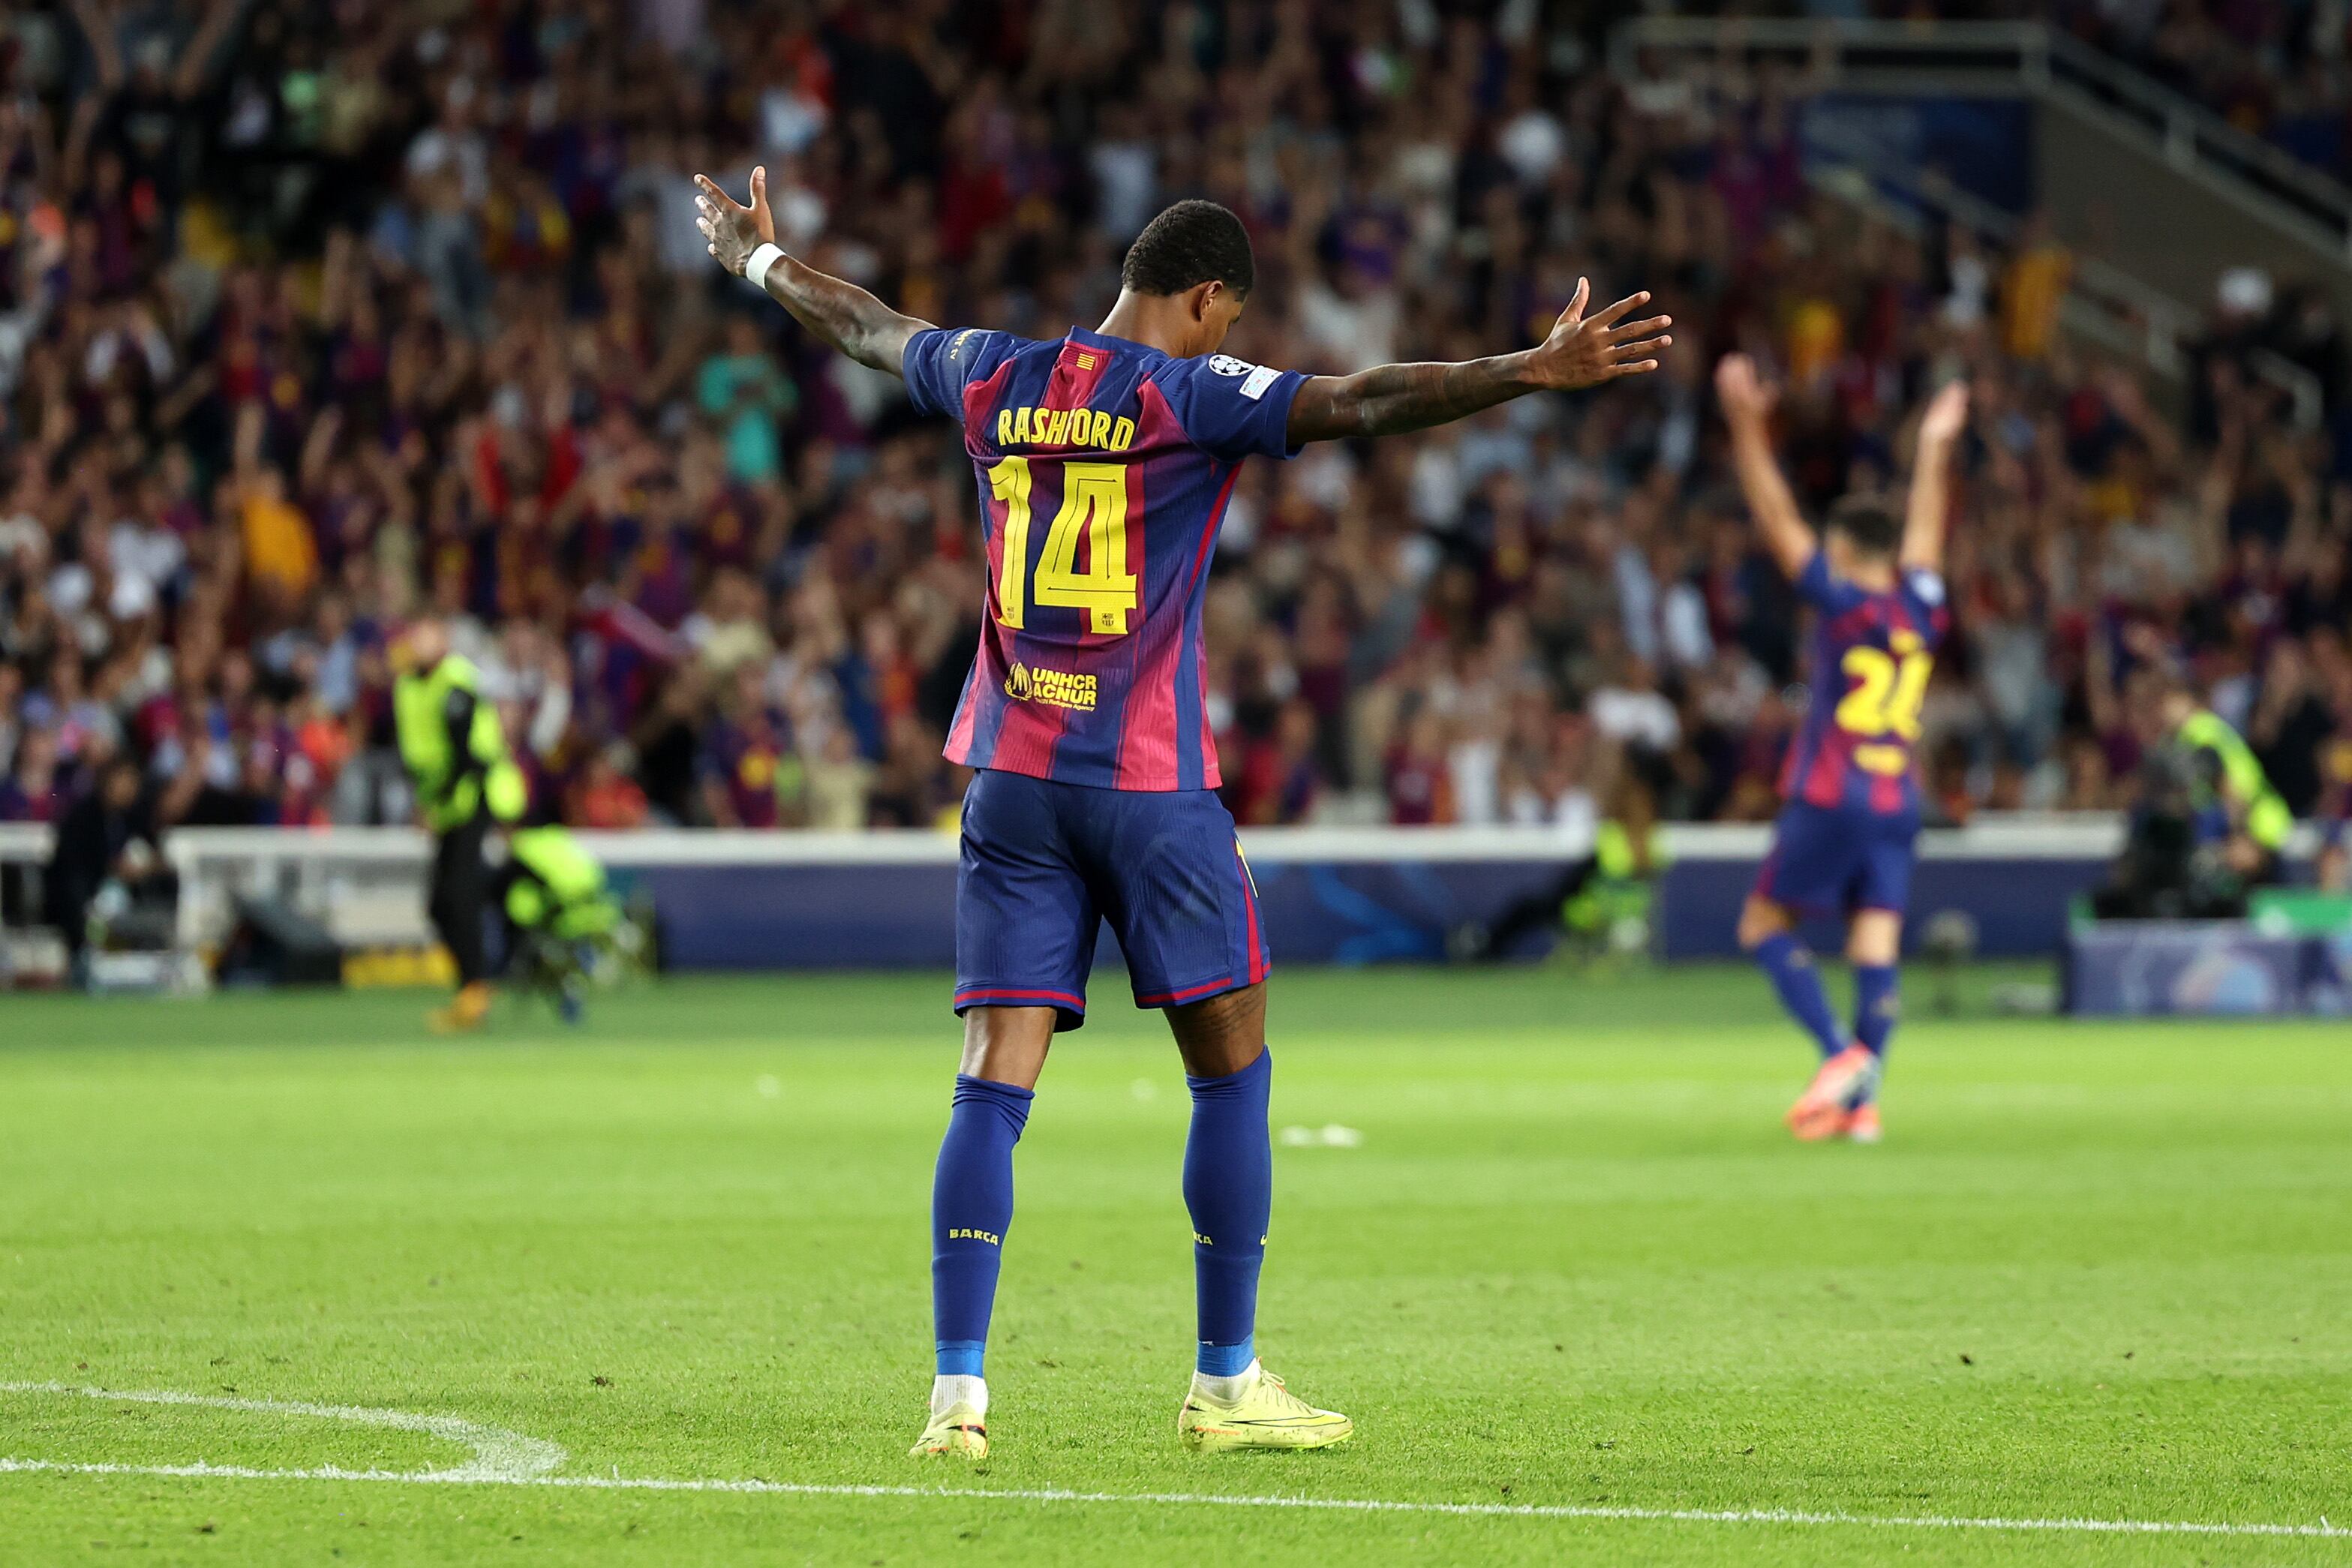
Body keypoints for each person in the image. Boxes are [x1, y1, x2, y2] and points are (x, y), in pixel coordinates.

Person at [695, 172, 1669, 1458]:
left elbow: (866, 326)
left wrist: (760, 265)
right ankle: (1224, 1379)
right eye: (1228, 317)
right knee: (1233, 1068)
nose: (1229, 341)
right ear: (1206, 297)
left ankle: (958, 1399)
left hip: (1011, 778)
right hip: (1148, 787)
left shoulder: (993, 370)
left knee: (990, 1084)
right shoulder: (1190, 395)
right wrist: (1531, 371)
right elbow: (1369, 401)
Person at [1717, 357, 1967, 1145]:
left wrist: (1743, 422)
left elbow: (1772, 511)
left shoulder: (1845, 599)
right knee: (1875, 941)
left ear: (1848, 549)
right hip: (1899, 798)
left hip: (1832, 792)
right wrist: (1933, 446)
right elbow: (1926, 529)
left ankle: (1839, 1054)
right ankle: (1864, 1109)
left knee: (1762, 923)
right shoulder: (1919, 603)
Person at [392, 618, 526, 1034]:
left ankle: (476, 988)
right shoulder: (412, 684)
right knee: (441, 901)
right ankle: (474, 984)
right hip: (451, 802)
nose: (417, 643)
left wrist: (433, 806)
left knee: (457, 894)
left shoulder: (455, 685)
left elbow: (466, 758)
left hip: (478, 796)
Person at [497, 820, 625, 1024]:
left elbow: (511, 885)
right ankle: (584, 972)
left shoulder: (523, 849)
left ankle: (562, 983)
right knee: (572, 955)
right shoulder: (561, 840)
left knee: (541, 957)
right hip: (595, 912)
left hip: (560, 917)